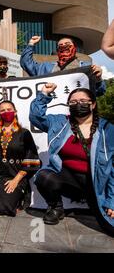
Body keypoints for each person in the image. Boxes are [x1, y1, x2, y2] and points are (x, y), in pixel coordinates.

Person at [30, 84, 114, 236]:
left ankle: (95, 202)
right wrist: (43, 94)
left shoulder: (108, 129)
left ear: (93, 104)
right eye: (73, 102)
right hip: (68, 178)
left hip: (97, 184)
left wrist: (111, 201)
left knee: (110, 226)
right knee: (44, 177)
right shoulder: (60, 122)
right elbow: (36, 117)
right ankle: (56, 207)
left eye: (83, 101)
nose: (78, 105)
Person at [20, 36, 105, 96]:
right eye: (61, 46)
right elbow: (26, 63)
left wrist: (98, 79)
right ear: (58, 50)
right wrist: (31, 44)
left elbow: (100, 91)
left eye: (67, 44)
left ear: (74, 48)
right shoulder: (46, 67)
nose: (64, 46)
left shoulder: (86, 67)